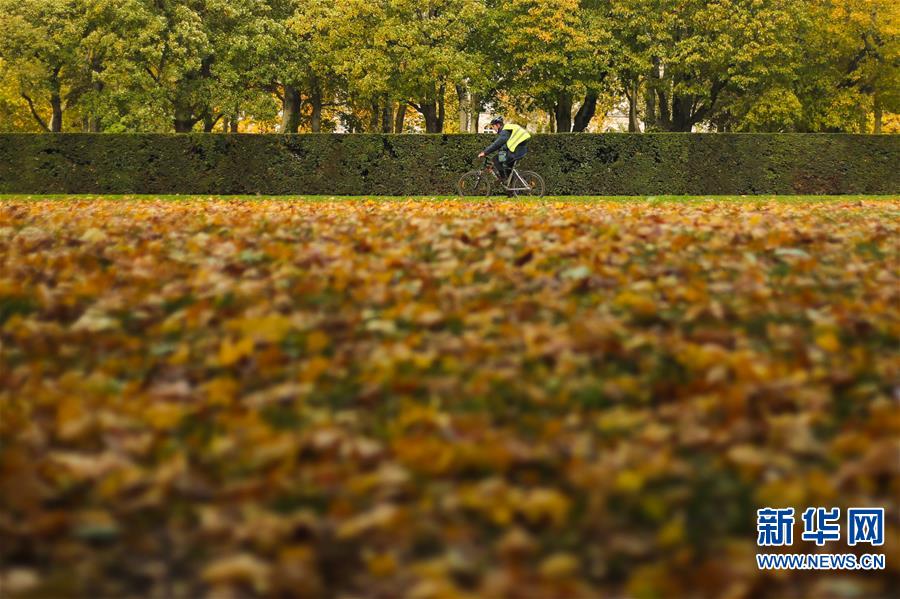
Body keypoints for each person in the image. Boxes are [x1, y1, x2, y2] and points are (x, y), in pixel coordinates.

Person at [478, 117, 531, 186]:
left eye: (493, 126)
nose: (493, 129)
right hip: (519, 151)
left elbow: (498, 144)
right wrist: (500, 152)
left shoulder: (505, 131)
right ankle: (510, 190)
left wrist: (485, 152)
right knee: (507, 169)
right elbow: (504, 146)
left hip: (516, 151)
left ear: (498, 125)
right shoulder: (508, 130)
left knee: (496, 159)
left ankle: (503, 179)